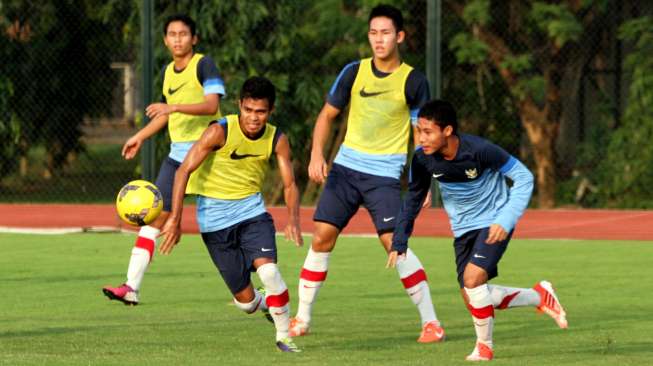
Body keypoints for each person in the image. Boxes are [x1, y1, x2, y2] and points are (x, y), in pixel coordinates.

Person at [289, 4, 444, 343]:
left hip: (385, 175)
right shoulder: (353, 71)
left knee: (394, 244)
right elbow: (327, 116)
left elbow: (424, 134)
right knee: (321, 236)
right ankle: (301, 319)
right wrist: (316, 154)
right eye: (373, 33)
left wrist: (425, 180)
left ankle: (431, 323)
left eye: (385, 33)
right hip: (345, 170)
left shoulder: (414, 81)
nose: (378, 39)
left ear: (399, 36)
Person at [390, 99, 568, 361]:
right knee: (474, 298)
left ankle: (484, 347)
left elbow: (524, 177)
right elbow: (414, 198)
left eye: (428, 132)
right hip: (463, 230)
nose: (421, 138)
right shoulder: (423, 159)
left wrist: (506, 219)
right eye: (419, 131)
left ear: (447, 131)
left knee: (473, 281)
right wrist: (400, 240)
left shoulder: (480, 150)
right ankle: (539, 295)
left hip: (494, 222)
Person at [159, 76, 303, 352]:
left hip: (252, 214)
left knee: (270, 271)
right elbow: (183, 171)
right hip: (214, 223)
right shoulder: (219, 131)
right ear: (239, 105)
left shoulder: (277, 139)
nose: (253, 118)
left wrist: (292, 221)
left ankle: (284, 335)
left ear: (270, 111)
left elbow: (289, 183)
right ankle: (264, 303)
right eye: (248, 110)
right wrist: (175, 219)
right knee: (247, 303)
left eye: (260, 112)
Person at [103, 14, 225, 305]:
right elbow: (165, 115)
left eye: (184, 34)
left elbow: (211, 106)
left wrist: (172, 106)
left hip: (209, 154)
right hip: (177, 156)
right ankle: (131, 287)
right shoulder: (169, 71)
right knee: (155, 217)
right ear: (165, 40)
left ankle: (255, 290)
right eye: (172, 34)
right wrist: (141, 136)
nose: (178, 39)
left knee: (222, 227)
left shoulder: (203, 64)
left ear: (194, 38)